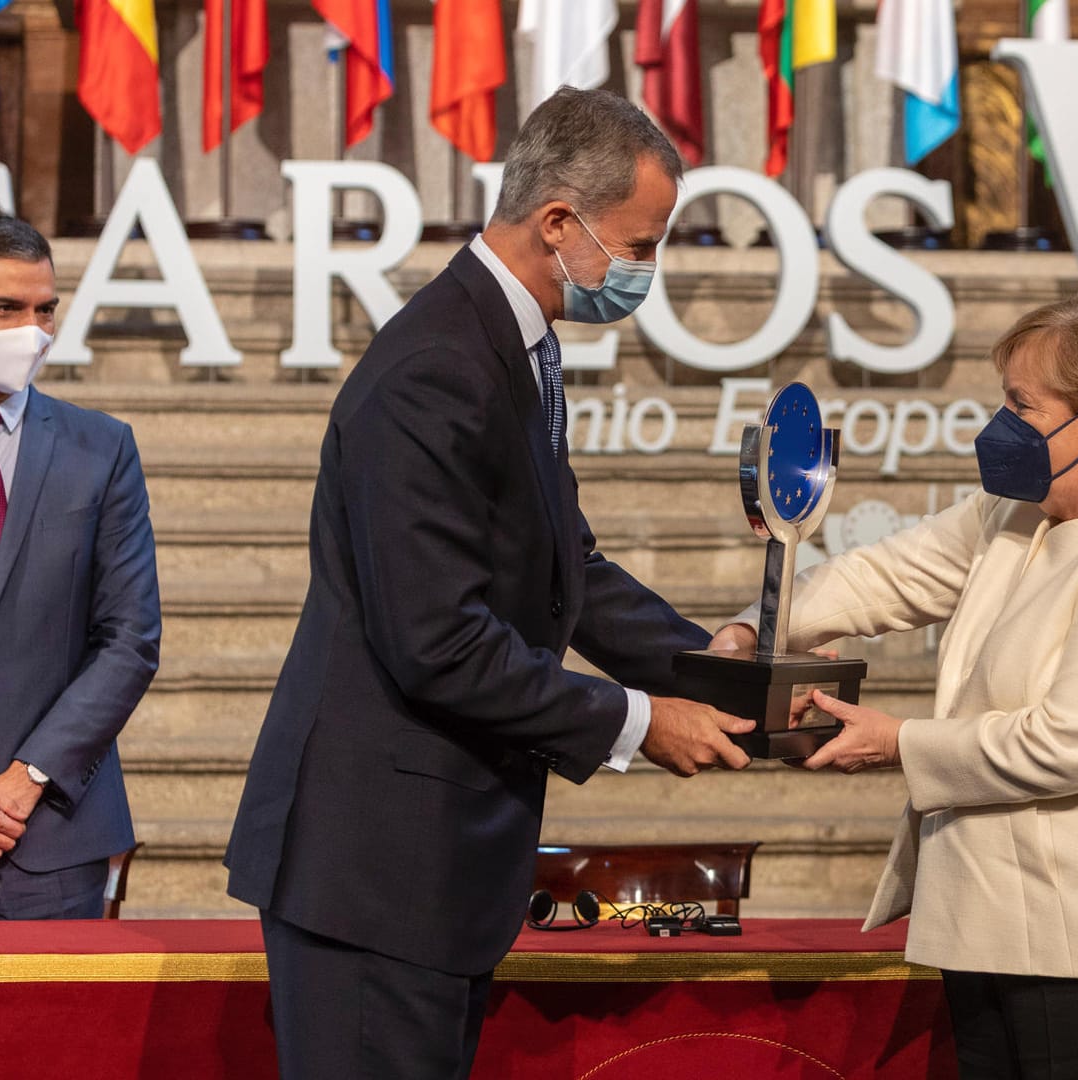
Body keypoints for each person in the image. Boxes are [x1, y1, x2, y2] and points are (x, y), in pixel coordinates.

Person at [223, 89, 755, 1079]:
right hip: (375, 870)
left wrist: (707, 664)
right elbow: (439, 643)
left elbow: (568, 567)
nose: (647, 271)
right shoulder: (439, 365)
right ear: (560, 222)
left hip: (431, 866)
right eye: (640, 245)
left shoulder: (511, 344)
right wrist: (643, 720)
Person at [711, 293, 1078, 1079]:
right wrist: (751, 632)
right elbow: (884, 575)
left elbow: (1068, 743)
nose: (998, 423)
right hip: (1008, 934)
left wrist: (896, 741)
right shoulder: (1018, 509)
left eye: (1020, 403)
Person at [0, 213, 158, 918]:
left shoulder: (102, 449)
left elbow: (130, 639)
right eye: (6, 309)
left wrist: (26, 779)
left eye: (45, 309)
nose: (33, 329)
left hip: (54, 832)